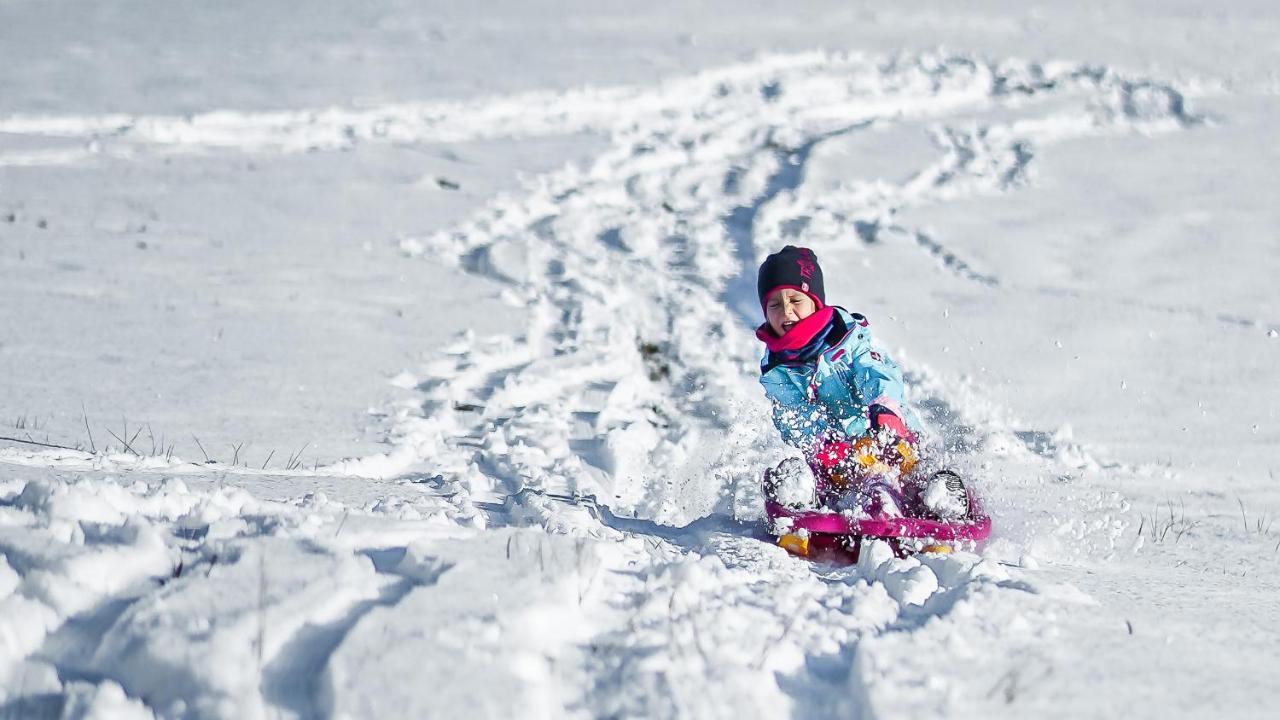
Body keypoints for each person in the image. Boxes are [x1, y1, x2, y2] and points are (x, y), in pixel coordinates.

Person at [755, 245, 966, 519]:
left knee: (916, 473)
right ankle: (796, 496)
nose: (787, 312)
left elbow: (875, 370)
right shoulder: (777, 369)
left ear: (814, 301)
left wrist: (885, 410)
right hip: (835, 459)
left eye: (795, 301)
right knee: (808, 479)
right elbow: (792, 415)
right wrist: (824, 443)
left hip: (889, 439)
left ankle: (942, 499)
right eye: (775, 305)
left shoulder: (850, 338)